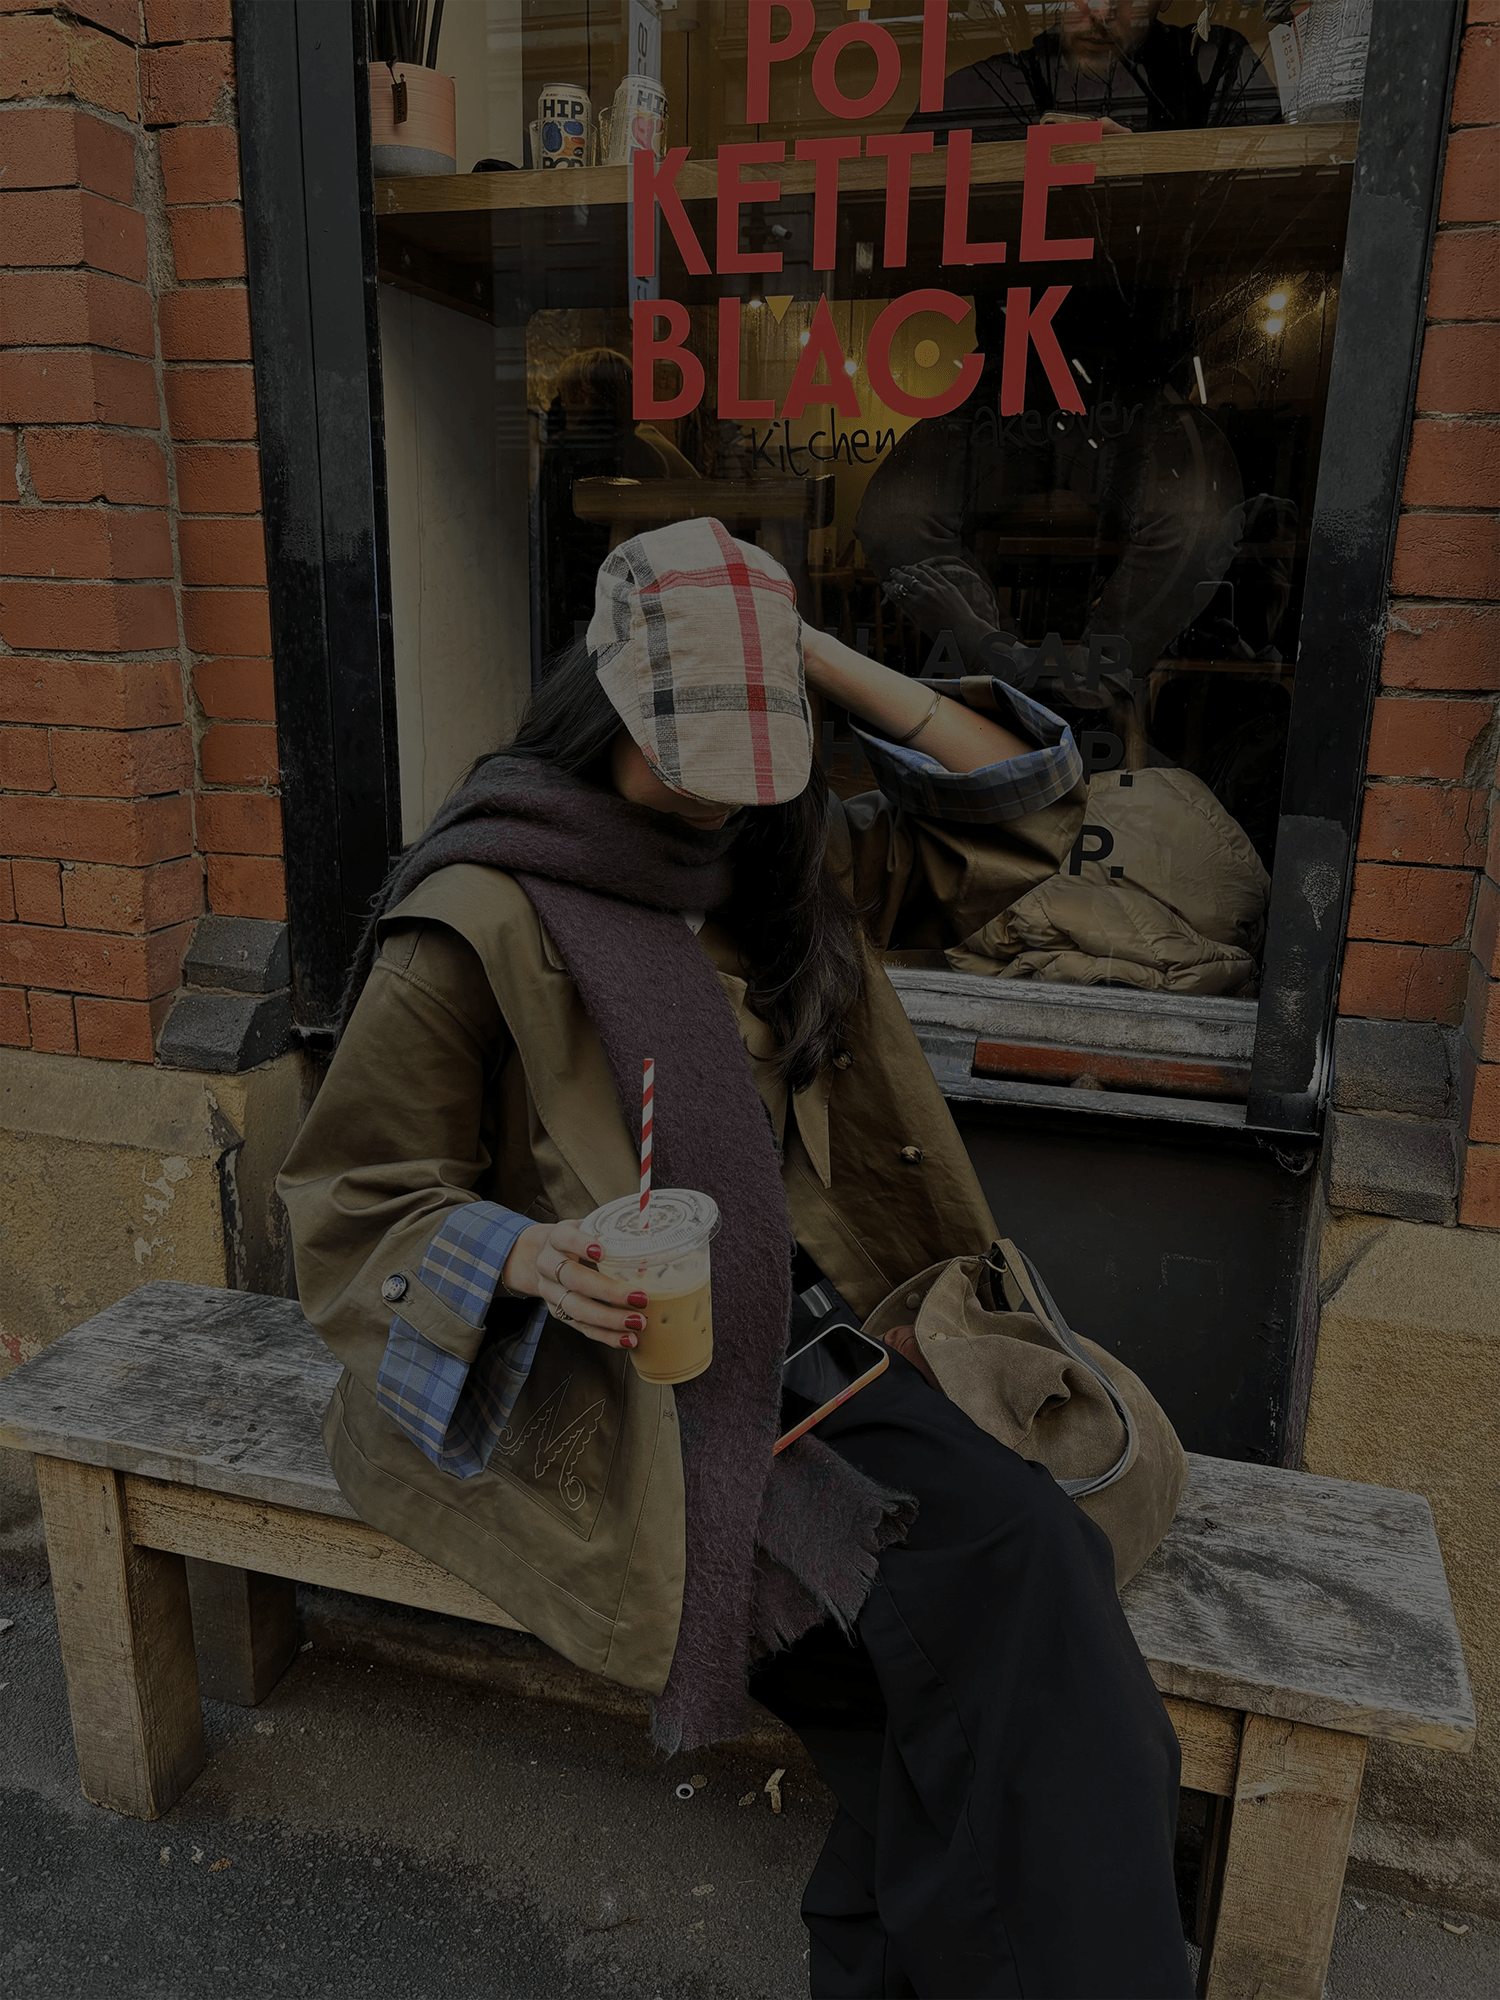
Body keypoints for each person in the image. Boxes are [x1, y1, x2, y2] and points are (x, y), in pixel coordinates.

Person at [277, 517, 1193, 1998]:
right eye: (689, 751)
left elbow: (1020, 817)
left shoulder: (776, 856)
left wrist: (799, 654)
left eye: (753, 753)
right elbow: (352, 1202)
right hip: (604, 1369)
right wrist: (530, 1254)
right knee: (1010, 1615)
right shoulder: (482, 911)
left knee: (1000, 1639)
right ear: (602, 703)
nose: (718, 793)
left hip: (820, 1329)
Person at [906, 0, 1280, 144]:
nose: (1102, 11)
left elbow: (1268, 194)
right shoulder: (979, 89)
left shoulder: (1214, 63)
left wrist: (1143, 166)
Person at [536, 345, 699, 656]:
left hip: (578, 602)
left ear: (584, 396)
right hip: (640, 598)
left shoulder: (563, 452)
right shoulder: (648, 453)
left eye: (565, 394)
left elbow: (549, 533)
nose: (561, 404)